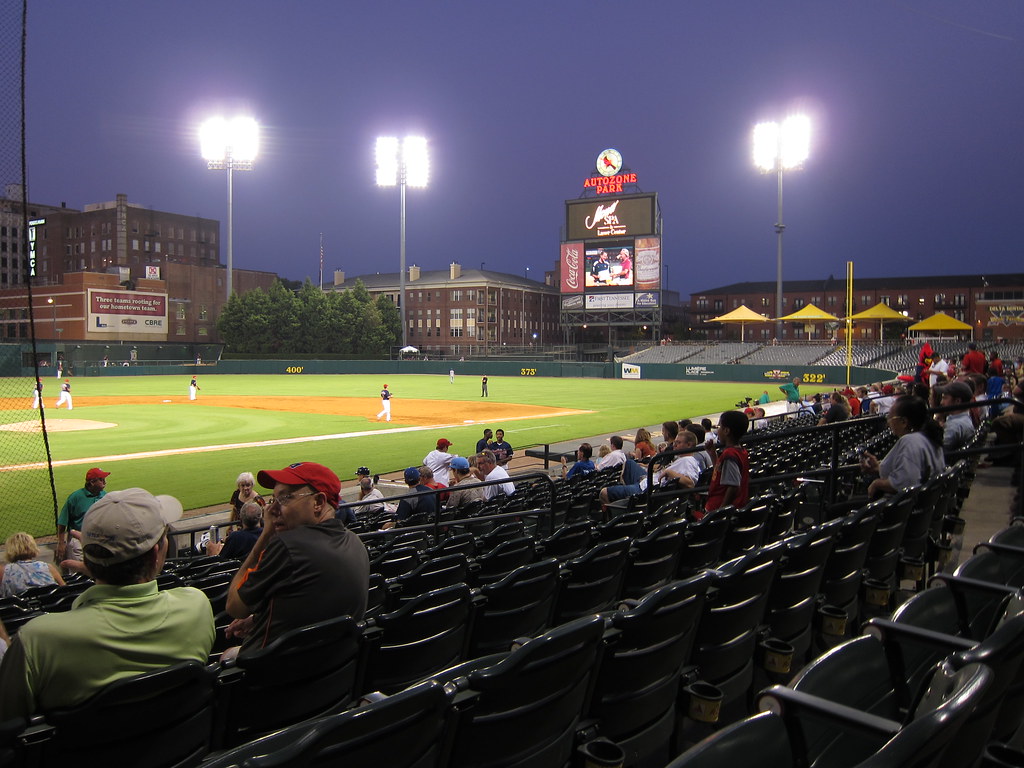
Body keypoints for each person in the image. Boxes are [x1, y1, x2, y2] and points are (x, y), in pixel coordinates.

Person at [0, 488, 215, 718]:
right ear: (155, 556)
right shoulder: (196, 605)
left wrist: (97, 570)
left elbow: (8, 722)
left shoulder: (37, 640)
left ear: (86, 558)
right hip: (185, 749)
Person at [224, 462, 370, 658]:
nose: (271, 510)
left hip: (272, 674)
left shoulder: (287, 546)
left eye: (284, 498)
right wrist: (260, 619)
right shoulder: (355, 542)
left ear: (318, 502)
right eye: (273, 499)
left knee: (225, 656)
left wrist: (265, 536)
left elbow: (234, 607)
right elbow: (314, 605)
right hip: (333, 670)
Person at [860, 395, 945, 499]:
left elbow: (906, 483)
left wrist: (877, 483)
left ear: (904, 422)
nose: (888, 421)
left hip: (905, 507)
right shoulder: (928, 437)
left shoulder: (910, 441)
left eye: (890, 417)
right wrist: (878, 468)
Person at [599, 430, 701, 508]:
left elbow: (690, 484)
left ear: (689, 445)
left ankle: (625, 511)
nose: (674, 445)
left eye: (678, 443)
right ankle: (629, 498)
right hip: (648, 482)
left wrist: (668, 471)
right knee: (630, 464)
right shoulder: (684, 459)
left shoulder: (688, 461)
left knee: (604, 492)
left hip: (646, 490)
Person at [57, 468, 110, 565]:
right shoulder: (76, 497)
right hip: (77, 540)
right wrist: (61, 543)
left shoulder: (105, 495)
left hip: (99, 538)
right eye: (101, 479)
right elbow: (62, 522)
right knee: (78, 571)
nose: (104, 482)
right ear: (92, 482)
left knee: (97, 570)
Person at [705, 410, 751, 516]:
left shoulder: (730, 455)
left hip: (719, 511)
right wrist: (713, 454)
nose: (718, 430)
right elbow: (722, 471)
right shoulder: (740, 451)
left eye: (720, 427)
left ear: (726, 431)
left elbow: (733, 486)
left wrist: (721, 512)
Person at [0, 533, 64, 598]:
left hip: (19, 607)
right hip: (50, 605)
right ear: (33, 547)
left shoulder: (3, 571)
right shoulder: (48, 567)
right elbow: (64, 589)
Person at [936, 381, 976, 454]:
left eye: (945, 398)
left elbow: (938, 452)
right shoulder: (964, 419)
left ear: (957, 401)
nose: (941, 402)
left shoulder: (954, 425)